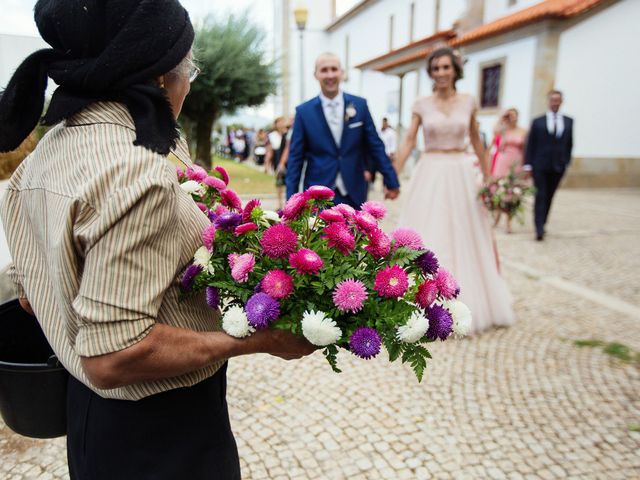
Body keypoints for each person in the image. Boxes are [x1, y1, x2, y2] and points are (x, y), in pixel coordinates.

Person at [0, 1, 315, 479]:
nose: (191, 81)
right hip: (160, 432)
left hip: (89, 416)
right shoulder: (139, 175)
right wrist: (262, 339)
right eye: (189, 67)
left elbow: (29, 298)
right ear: (163, 76)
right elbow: (112, 357)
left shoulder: (48, 151)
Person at [394, 47, 514, 335]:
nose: (441, 73)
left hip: (461, 171)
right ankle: (421, 302)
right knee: (427, 230)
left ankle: (466, 303)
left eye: (446, 67)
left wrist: (489, 179)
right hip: (431, 169)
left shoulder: (468, 101)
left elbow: (476, 140)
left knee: (466, 233)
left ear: (455, 71)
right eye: (436, 68)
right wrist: (393, 175)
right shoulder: (421, 103)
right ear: (431, 73)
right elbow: (410, 139)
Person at [286, 52, 400, 208]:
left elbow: (375, 145)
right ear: (316, 75)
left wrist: (391, 180)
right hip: (317, 196)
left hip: (354, 191)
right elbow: (295, 160)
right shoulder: (303, 112)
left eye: (334, 69)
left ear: (342, 73)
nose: (330, 75)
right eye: (324, 70)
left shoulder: (360, 105)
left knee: (356, 233)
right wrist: (290, 204)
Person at [524, 90, 574, 241]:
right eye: (552, 100)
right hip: (539, 165)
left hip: (558, 166)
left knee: (550, 196)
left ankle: (543, 223)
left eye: (557, 100)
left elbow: (569, 144)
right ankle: (538, 227)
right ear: (548, 101)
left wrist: (566, 162)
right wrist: (528, 165)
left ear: (561, 101)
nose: (555, 102)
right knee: (541, 195)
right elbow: (530, 144)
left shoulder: (568, 121)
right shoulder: (538, 121)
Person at [491, 108, 527, 177]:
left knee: (515, 180)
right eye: (510, 116)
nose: (512, 118)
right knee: (500, 179)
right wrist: (502, 118)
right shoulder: (503, 130)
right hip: (503, 157)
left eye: (514, 115)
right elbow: (494, 130)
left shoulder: (523, 130)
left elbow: (525, 148)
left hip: (517, 158)